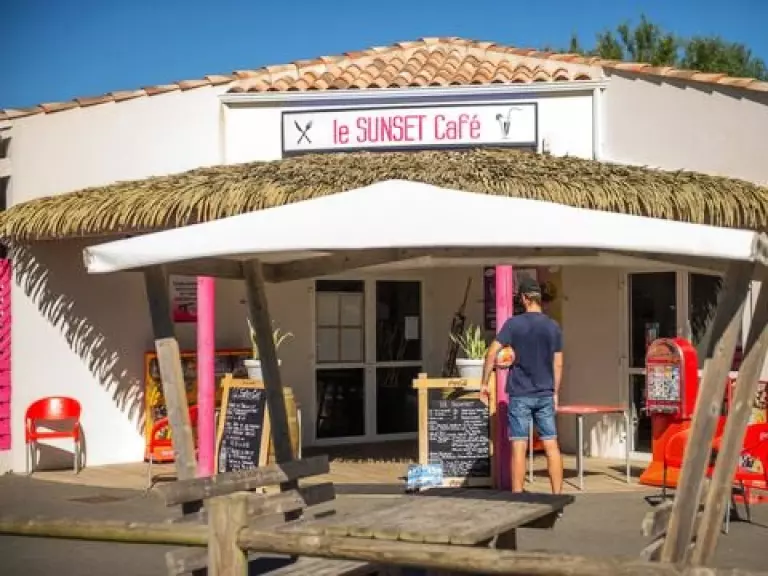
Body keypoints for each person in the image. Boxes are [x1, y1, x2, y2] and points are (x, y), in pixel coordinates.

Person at [481, 276, 564, 495]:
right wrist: (555, 392)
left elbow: (491, 353)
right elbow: (558, 363)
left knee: (519, 445)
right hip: (545, 392)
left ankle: (518, 498)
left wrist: (484, 383)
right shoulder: (553, 326)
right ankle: (557, 497)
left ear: (525, 298)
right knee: (551, 444)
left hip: (520, 393)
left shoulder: (513, 324)